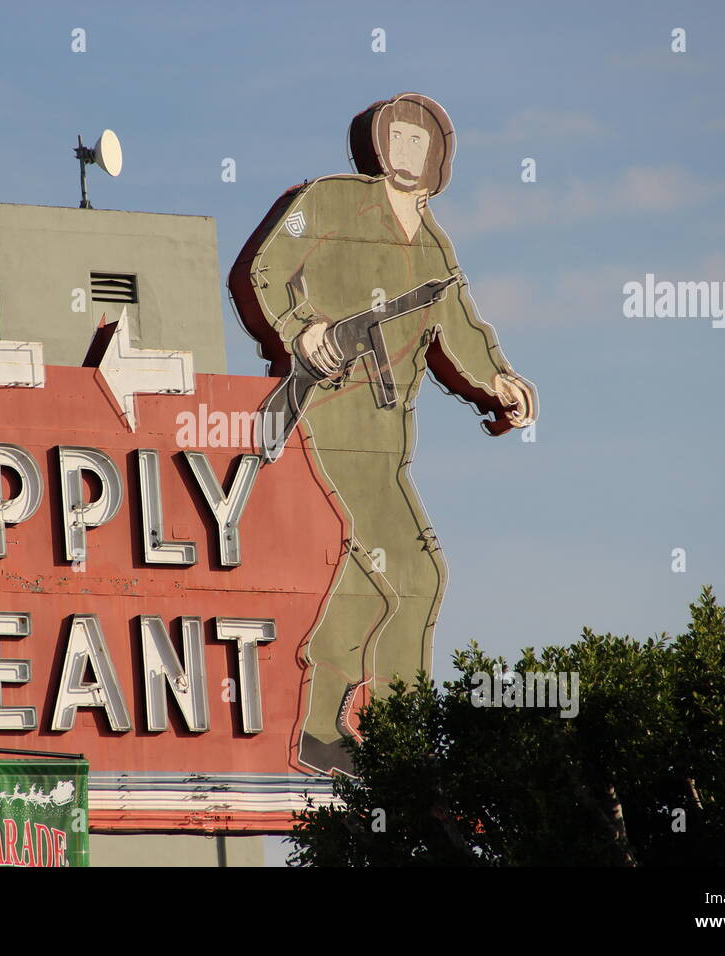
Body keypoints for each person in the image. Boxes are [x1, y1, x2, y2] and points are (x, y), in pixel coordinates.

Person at [228, 92, 537, 775]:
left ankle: (316, 726)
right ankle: (406, 737)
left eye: (418, 141)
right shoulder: (332, 199)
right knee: (419, 575)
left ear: (437, 159)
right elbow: (262, 269)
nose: (405, 151)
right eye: (395, 137)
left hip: (386, 441)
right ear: (377, 143)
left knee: (372, 587)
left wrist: (500, 383)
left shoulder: (431, 245)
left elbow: (458, 326)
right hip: (320, 422)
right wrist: (299, 327)